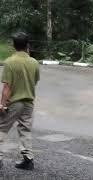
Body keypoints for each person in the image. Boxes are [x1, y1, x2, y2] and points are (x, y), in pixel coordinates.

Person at [0, 32, 40, 170]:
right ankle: (28, 159)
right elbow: (34, 81)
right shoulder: (34, 62)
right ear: (27, 45)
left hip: (14, 102)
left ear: (13, 45)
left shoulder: (10, 62)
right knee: (25, 129)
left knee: (2, 127)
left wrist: (2, 104)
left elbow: (6, 87)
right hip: (28, 102)